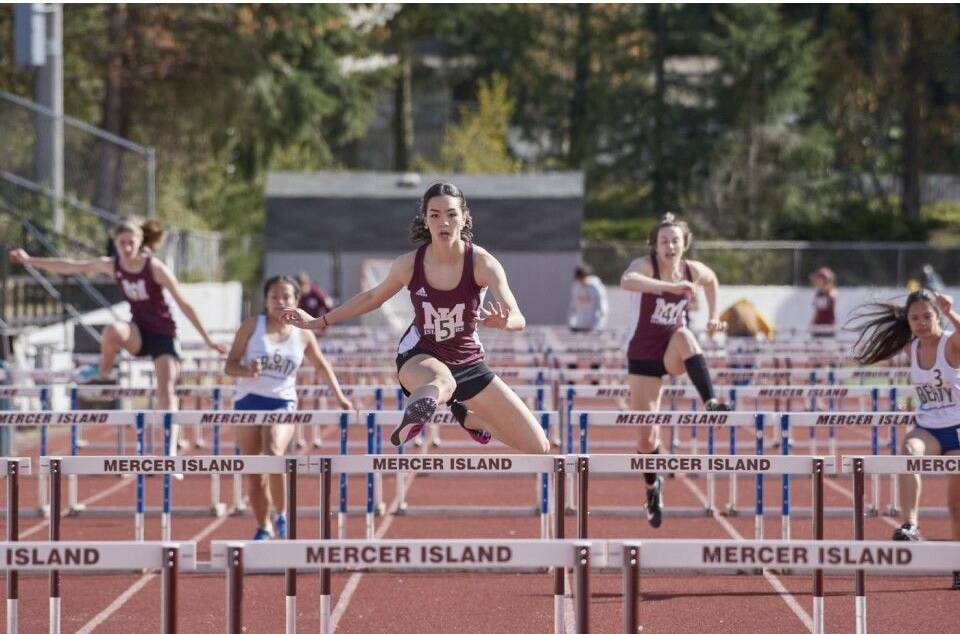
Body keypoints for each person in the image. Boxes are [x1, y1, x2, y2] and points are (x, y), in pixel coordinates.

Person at [280, 181, 549, 454]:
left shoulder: (482, 263)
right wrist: (318, 321)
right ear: (425, 220)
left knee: (538, 445)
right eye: (435, 215)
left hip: (468, 361)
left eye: (451, 214)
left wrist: (506, 322)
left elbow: (518, 316)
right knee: (443, 382)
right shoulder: (409, 265)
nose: (444, 222)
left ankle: (468, 416)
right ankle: (418, 413)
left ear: (465, 217)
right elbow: (372, 298)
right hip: (420, 356)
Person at [8, 218, 226, 455]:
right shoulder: (112, 265)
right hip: (138, 332)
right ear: (115, 243)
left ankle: (169, 448)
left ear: (140, 241)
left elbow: (184, 303)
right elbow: (70, 266)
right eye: (122, 243)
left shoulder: (154, 267)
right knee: (113, 330)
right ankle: (103, 370)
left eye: (131, 242)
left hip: (164, 333)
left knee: (166, 389)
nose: (126, 247)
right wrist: (30, 260)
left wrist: (207, 339)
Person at [620, 212, 729, 529]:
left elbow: (712, 280)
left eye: (675, 241)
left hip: (671, 351)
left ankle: (710, 401)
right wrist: (667, 287)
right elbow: (627, 281)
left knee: (685, 335)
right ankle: (652, 488)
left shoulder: (692, 270)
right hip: (642, 356)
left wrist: (714, 315)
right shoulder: (646, 266)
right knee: (646, 436)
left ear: (685, 245)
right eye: (663, 241)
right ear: (654, 246)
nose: (670, 246)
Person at [847, 289, 960, 590]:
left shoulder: (951, 342)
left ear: (938, 316)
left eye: (927, 316)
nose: (921, 323)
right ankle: (910, 523)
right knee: (910, 451)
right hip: (928, 428)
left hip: (958, 430)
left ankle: (959, 565)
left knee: (956, 505)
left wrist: (952, 312)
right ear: (908, 322)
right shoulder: (910, 348)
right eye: (915, 318)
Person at [225, 275, 352, 540]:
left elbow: (320, 365)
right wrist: (247, 370)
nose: (280, 302)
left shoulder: (303, 333)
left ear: (296, 301)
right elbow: (230, 365)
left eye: (286, 297)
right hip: (248, 401)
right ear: (266, 300)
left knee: (273, 450)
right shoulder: (251, 326)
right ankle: (263, 526)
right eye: (274, 297)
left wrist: (339, 397)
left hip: (282, 402)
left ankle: (282, 514)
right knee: (255, 474)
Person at [568, 264, 608, 332]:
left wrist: (598, 327)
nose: (581, 283)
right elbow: (573, 307)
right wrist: (572, 324)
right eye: (579, 280)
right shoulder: (576, 288)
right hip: (580, 327)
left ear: (587, 277)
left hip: (593, 328)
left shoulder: (597, 288)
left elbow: (603, 310)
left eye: (582, 280)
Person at [810, 267, 837, 337]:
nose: (817, 283)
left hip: (828, 328)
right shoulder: (818, 294)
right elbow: (817, 312)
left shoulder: (831, 294)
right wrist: (812, 324)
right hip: (818, 328)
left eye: (820, 280)